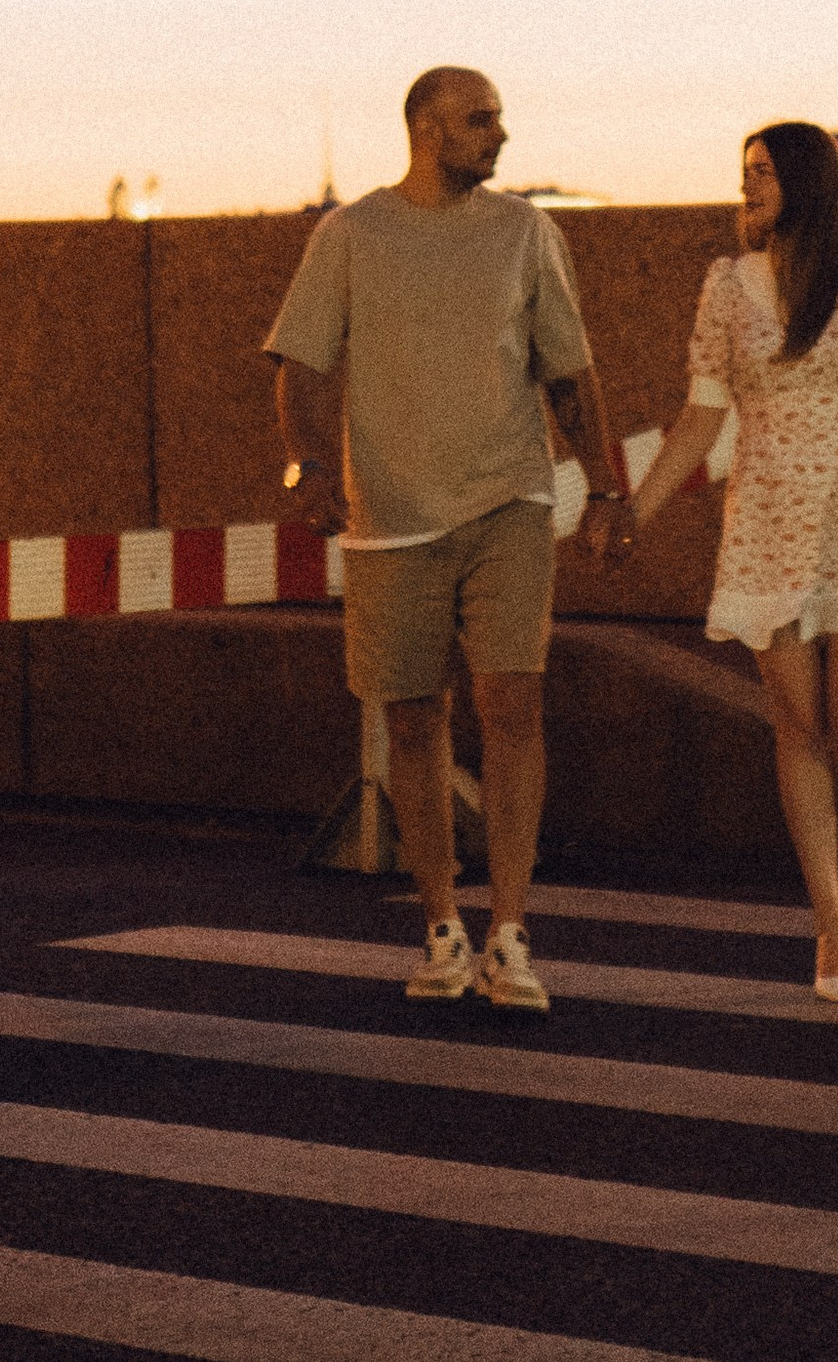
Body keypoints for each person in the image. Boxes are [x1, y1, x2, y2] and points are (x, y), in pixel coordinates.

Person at [265, 65, 629, 1012]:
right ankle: (441, 925)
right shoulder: (350, 235)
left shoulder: (525, 233)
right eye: (481, 121)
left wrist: (606, 487)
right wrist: (305, 466)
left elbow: (570, 372)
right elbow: (301, 361)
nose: (500, 135)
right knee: (413, 720)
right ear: (427, 129)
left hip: (509, 499)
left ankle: (509, 931)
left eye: (500, 118)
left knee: (513, 703)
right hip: (390, 519)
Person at [625, 120, 838, 999]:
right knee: (796, 729)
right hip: (767, 518)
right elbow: (701, 416)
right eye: (742, 173)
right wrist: (638, 511)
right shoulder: (726, 287)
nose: (746, 188)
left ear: (806, 181)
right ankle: (828, 923)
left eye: (761, 172)